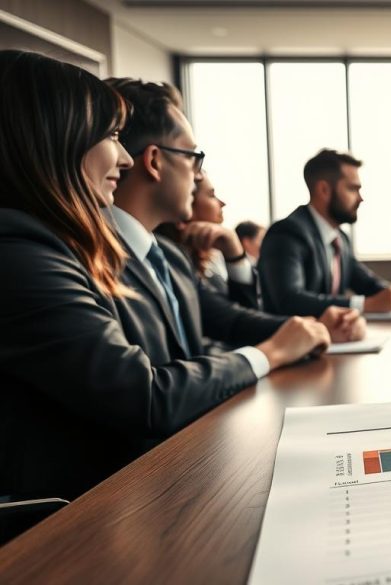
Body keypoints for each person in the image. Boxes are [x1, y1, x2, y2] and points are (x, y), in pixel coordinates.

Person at [0, 50, 327, 501]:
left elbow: (225, 323)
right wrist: (270, 351)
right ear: (57, 139)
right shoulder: (22, 252)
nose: (124, 158)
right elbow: (143, 394)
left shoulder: (96, 250)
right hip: (90, 515)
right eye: (110, 136)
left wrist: (311, 329)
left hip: (156, 480)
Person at [106, 77, 366, 359]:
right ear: (154, 161)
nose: (197, 176)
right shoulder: (91, 261)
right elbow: (148, 389)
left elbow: (233, 321)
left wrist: (318, 328)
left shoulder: (169, 257)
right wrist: (271, 353)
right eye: (192, 157)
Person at [259, 149, 391, 315]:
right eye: (352, 189)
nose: (360, 198)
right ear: (324, 190)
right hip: (292, 339)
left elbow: (366, 283)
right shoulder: (287, 233)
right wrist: (365, 305)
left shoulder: (340, 239)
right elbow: (290, 301)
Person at [156, 172, 262, 309]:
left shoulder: (211, 262)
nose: (222, 203)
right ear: (188, 205)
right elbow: (241, 320)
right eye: (211, 195)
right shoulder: (177, 270)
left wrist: (235, 256)